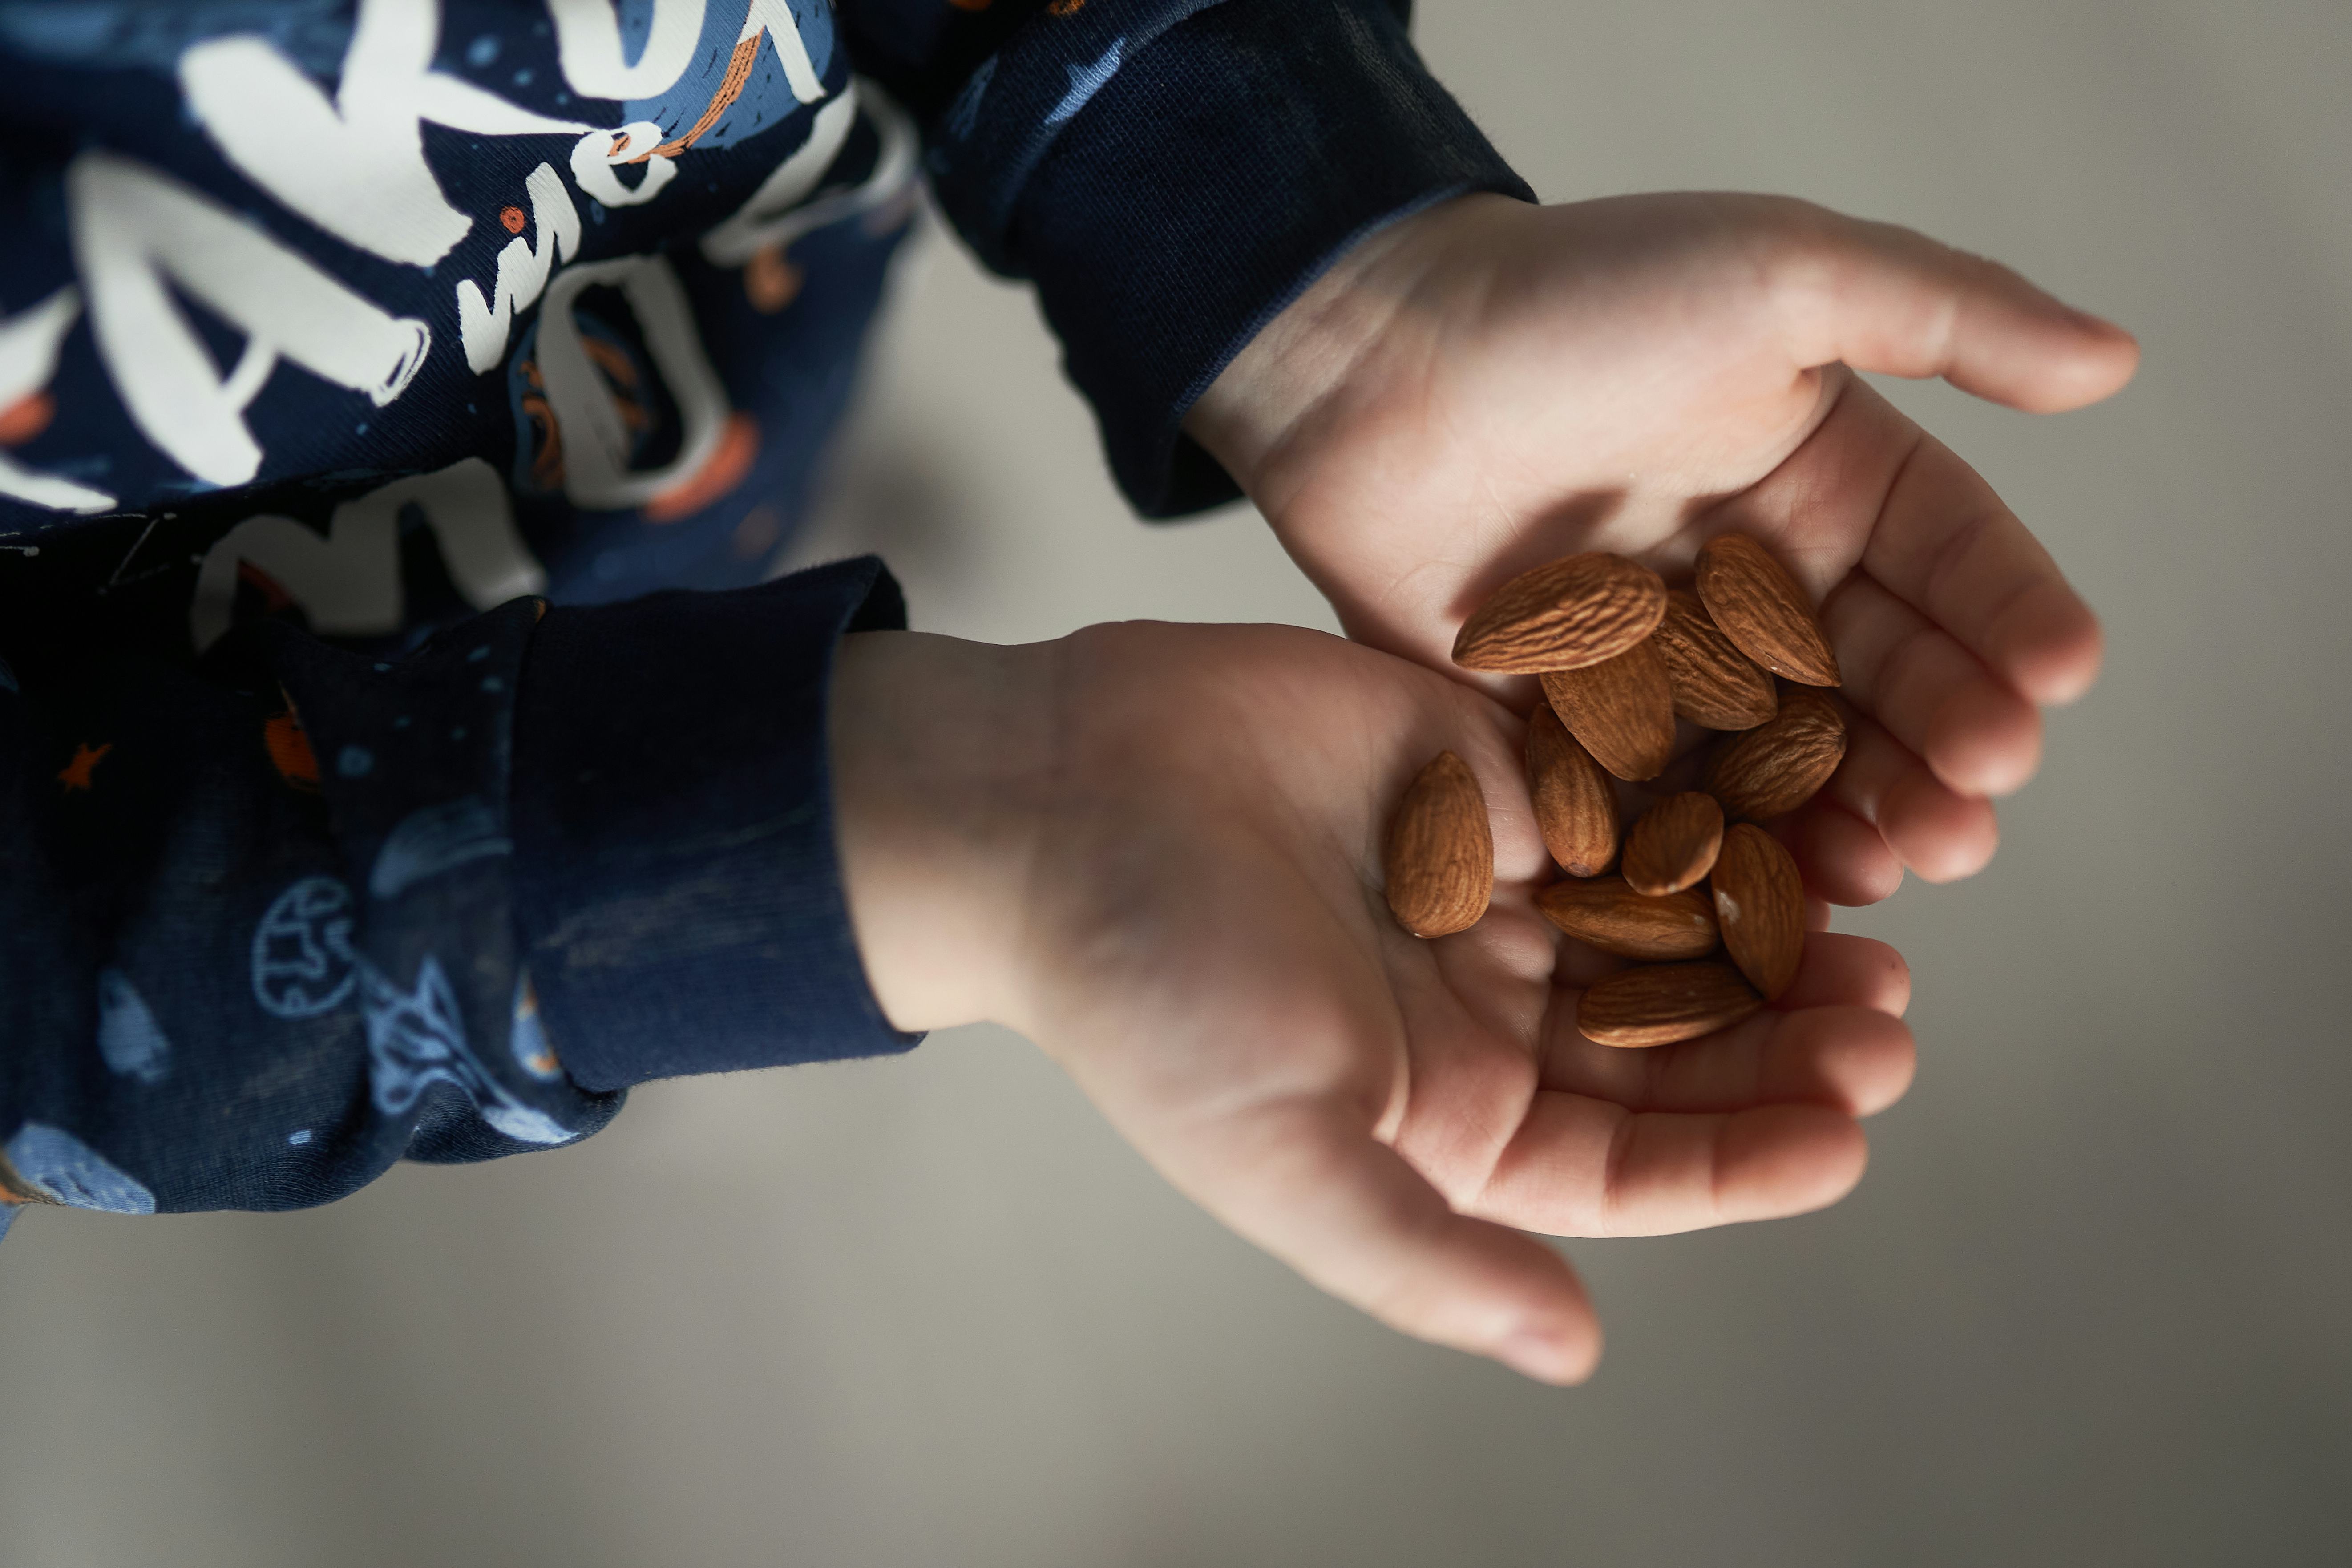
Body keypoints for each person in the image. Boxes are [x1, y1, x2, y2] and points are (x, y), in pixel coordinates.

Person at [0, 0, 2134, 1384]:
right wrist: (854, 830)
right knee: (657, 747)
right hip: (247, 765)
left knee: (695, 472)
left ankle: (744, 587)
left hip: (673, 288)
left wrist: (1321, 269)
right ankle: (741, 773)